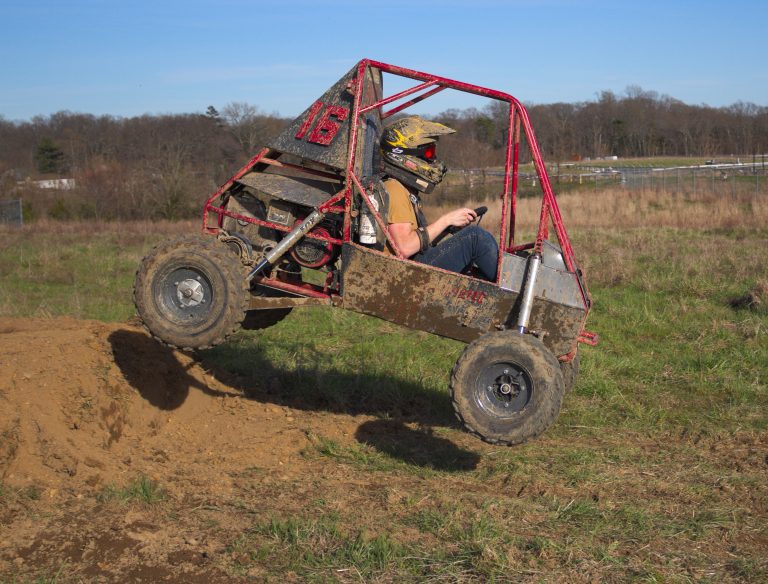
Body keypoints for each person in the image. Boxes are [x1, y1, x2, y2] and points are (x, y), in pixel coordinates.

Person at [380, 116, 499, 281]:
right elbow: (405, 247)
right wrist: (446, 219)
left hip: (410, 267)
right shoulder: (394, 188)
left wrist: (448, 227)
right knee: (475, 237)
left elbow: (416, 239)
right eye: (429, 152)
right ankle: (516, 291)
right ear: (405, 155)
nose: (433, 159)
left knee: (476, 239)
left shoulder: (404, 189)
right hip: (404, 275)